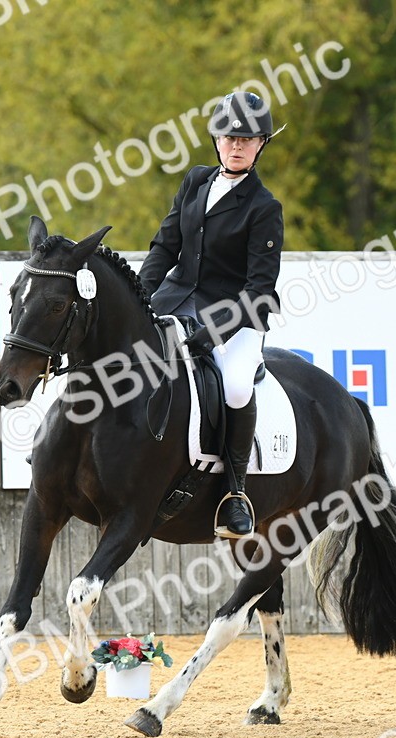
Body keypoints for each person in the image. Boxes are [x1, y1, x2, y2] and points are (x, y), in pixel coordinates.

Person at [138, 91, 284, 538]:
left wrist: (213, 334)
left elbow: (260, 290)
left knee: (237, 387)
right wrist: (141, 296)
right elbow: (165, 246)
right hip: (175, 301)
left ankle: (235, 492)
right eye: (229, 137)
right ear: (216, 140)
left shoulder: (264, 208)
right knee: (117, 348)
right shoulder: (195, 182)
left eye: (248, 138)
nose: (236, 145)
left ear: (261, 145)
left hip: (235, 317)